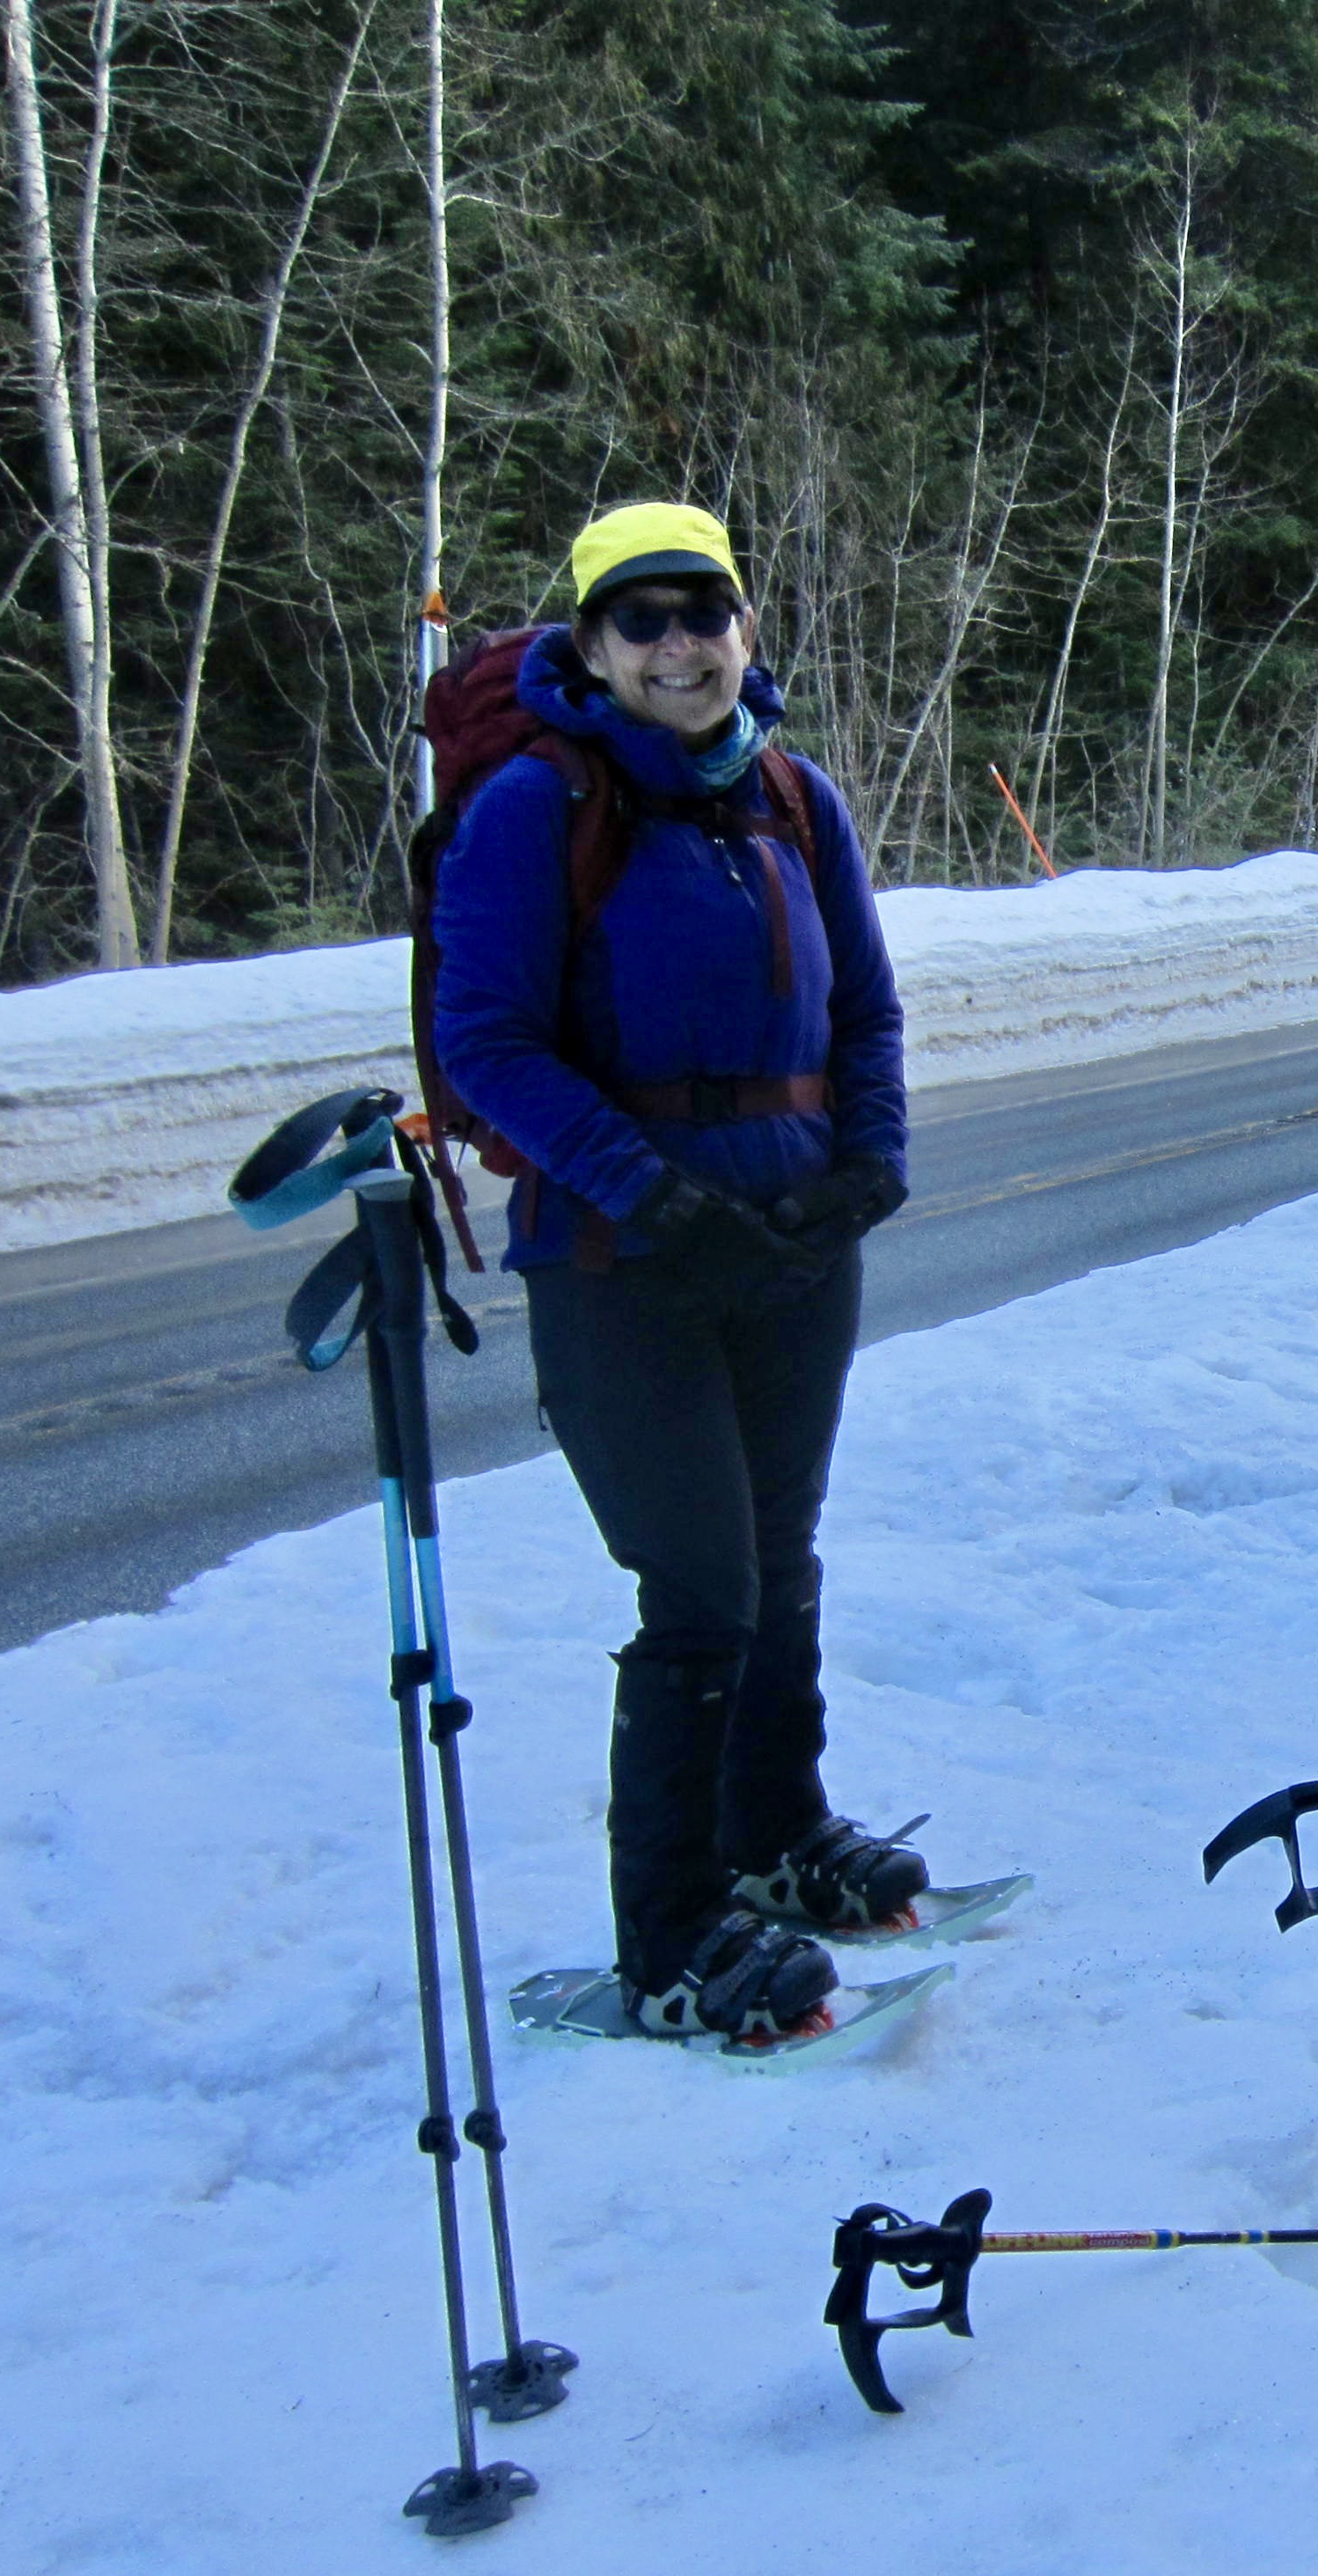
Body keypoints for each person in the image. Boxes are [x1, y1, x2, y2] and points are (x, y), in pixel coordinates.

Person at [430, 502, 920, 2043]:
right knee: (700, 1582)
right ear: (589, 645)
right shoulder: (536, 805)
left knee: (779, 1557)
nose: (677, 645)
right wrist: (651, 1189)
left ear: (744, 629)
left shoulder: (793, 797)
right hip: (619, 1260)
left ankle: (776, 1831)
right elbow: (483, 1041)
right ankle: (671, 1933)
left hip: (794, 1245)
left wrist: (870, 1163)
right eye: (639, 620)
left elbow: (865, 1014)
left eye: (703, 611)